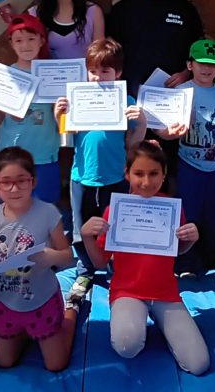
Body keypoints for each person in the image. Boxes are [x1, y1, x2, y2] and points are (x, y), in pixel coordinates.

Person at [81, 141, 211, 374]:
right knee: (126, 346)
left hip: (165, 293)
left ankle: (162, 323)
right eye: (139, 173)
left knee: (199, 364)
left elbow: (177, 250)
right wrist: (87, 236)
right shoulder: (115, 211)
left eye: (153, 174)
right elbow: (100, 262)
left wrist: (191, 238)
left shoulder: (171, 208)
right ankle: (140, 321)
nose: (146, 181)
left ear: (164, 174)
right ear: (127, 174)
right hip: (127, 292)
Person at [0, 147, 78, 371]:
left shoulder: (47, 213)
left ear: (33, 182)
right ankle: (27, 332)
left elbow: (67, 256)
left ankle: (72, 308)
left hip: (42, 302)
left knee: (56, 365)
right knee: (5, 362)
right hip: (7, 302)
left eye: (22, 181)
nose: (14, 188)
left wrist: (51, 257)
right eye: (6, 182)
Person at [54, 38, 147, 299]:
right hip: (82, 177)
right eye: (93, 71)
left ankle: (116, 268)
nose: (97, 77)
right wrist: (59, 116)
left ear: (118, 73)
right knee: (80, 228)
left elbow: (132, 144)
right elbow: (66, 136)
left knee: (114, 227)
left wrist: (141, 122)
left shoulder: (126, 100)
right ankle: (85, 270)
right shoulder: (77, 98)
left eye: (105, 71)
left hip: (115, 177)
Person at [159, 39, 215, 274]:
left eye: (213, 64)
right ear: (190, 65)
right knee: (188, 215)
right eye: (202, 63)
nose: (207, 69)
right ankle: (186, 263)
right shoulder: (180, 93)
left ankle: (212, 261)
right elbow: (164, 127)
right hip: (189, 166)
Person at [0, 15, 61, 203]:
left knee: (45, 209)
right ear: (11, 43)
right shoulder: (3, 76)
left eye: (31, 39)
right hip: (11, 155)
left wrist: (62, 110)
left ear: (42, 40)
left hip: (44, 154)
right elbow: (0, 119)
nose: (25, 45)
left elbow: (62, 120)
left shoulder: (55, 74)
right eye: (18, 40)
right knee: (10, 209)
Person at [107, 0, 203, 92]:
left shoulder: (186, 10)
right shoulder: (122, 10)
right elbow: (110, 54)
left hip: (175, 96)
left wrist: (186, 73)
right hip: (131, 97)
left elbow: (199, 52)